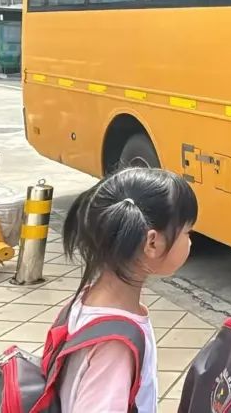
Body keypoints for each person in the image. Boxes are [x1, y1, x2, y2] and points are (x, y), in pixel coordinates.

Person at [59, 167, 198, 412]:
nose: (190, 241)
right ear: (152, 243)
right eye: (187, 232)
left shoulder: (86, 301)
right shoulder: (115, 343)